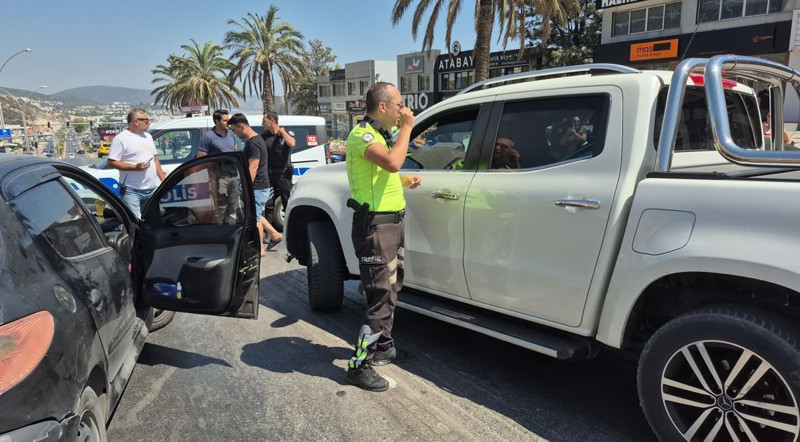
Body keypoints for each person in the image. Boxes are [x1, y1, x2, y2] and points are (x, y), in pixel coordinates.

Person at [345, 82, 422, 392]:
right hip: (376, 229)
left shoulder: (379, 135)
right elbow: (392, 161)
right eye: (399, 104)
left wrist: (401, 180)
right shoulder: (361, 135)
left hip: (392, 225)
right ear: (384, 107)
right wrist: (408, 127)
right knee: (381, 297)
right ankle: (359, 365)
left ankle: (384, 349)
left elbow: (383, 172)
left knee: (392, 290)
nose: (403, 110)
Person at [227, 113, 282, 255]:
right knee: (255, 214)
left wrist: (246, 186)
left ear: (241, 127)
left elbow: (253, 166)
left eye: (234, 130)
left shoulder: (253, 142)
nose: (234, 133)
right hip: (260, 186)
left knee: (255, 219)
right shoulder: (256, 140)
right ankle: (275, 234)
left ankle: (260, 249)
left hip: (257, 186)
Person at [107, 109, 166, 218]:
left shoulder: (148, 137)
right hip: (131, 191)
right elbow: (111, 163)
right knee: (135, 222)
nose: (149, 122)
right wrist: (135, 167)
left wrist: (163, 180)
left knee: (152, 220)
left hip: (152, 189)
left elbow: (155, 160)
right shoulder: (121, 139)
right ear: (136, 121)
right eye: (147, 120)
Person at [199, 109, 240, 224]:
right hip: (219, 178)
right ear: (217, 121)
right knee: (220, 209)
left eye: (229, 120)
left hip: (233, 176)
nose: (229, 122)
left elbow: (235, 152)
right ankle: (219, 232)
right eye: (225, 120)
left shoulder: (231, 134)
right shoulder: (208, 137)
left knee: (233, 207)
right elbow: (201, 160)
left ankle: (231, 230)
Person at [261, 110, 296, 225]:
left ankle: (291, 227)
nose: (262, 123)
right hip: (269, 176)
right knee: (268, 203)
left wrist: (282, 132)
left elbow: (292, 144)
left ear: (272, 121)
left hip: (284, 175)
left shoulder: (285, 133)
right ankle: (268, 234)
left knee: (288, 202)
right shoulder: (264, 137)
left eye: (264, 120)